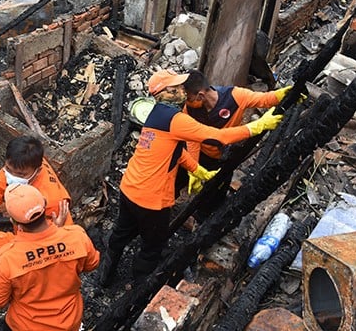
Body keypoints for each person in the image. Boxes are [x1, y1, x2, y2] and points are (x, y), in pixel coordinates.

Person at [98, 69, 283, 287]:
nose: (182, 91)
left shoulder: (156, 115)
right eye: (175, 88)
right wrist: (256, 126)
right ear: (164, 93)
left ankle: (104, 277)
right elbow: (217, 136)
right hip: (152, 201)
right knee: (151, 249)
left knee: (120, 234)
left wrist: (197, 169)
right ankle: (138, 292)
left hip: (129, 188)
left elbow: (173, 150)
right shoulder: (175, 119)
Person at [178, 70, 301, 212]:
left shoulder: (234, 96)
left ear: (200, 96)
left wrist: (286, 94)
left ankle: (205, 214)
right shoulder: (189, 110)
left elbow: (264, 99)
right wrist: (193, 168)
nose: (187, 102)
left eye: (189, 98)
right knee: (180, 177)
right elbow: (192, 139)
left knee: (215, 192)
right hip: (201, 153)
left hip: (222, 155)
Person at [0, 183, 100, 331]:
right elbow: (92, 263)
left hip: (26, 326)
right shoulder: (77, 236)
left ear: (14, 222)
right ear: (45, 206)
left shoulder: (6, 259)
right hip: (70, 321)